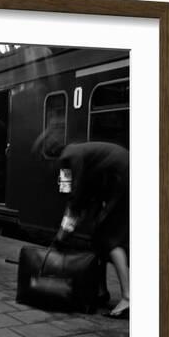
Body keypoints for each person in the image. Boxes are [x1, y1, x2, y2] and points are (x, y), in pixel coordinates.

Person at [36, 134, 130, 319]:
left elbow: (74, 198)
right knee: (97, 238)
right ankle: (101, 293)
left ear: (48, 155)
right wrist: (69, 225)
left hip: (123, 178)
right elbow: (72, 194)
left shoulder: (68, 157)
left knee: (110, 239)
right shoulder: (74, 154)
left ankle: (128, 297)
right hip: (117, 179)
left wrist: (63, 233)